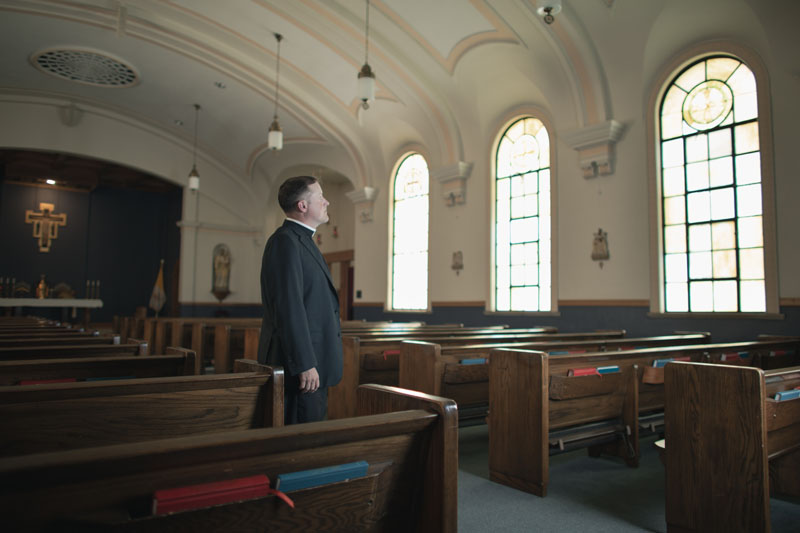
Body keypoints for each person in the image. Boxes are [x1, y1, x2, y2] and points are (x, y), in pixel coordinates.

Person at [257, 176, 342, 424]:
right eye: (320, 197)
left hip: (312, 365)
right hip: (300, 369)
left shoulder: (302, 240)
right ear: (303, 206)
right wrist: (305, 363)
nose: (326, 202)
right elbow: (289, 307)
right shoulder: (285, 242)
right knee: (297, 440)